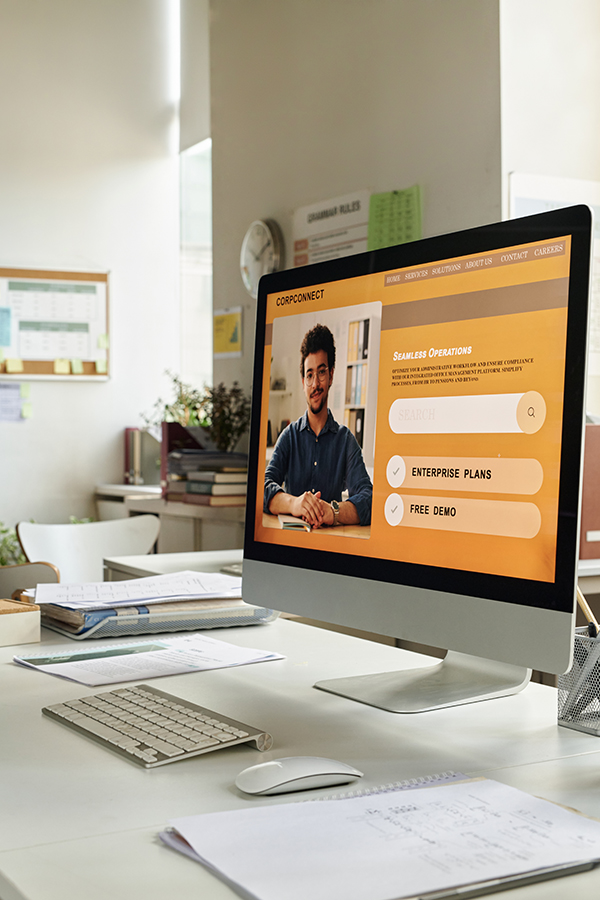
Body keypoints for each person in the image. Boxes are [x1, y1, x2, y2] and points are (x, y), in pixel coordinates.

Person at [264, 323, 372, 528]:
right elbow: (263, 488)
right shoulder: (289, 437)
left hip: (329, 547)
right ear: (303, 380)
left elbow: (369, 498)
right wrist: (295, 503)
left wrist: (333, 512)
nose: (315, 384)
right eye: (310, 375)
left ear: (331, 375)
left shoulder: (345, 441)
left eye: (321, 373)